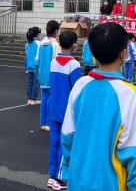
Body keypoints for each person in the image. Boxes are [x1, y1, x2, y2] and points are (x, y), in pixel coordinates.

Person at [61, 22, 136, 190]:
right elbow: (134, 151)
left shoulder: (80, 86)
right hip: (111, 184)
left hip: (77, 180)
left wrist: (68, 173)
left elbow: (67, 136)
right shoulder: (130, 94)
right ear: (124, 53)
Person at [48, 30, 81, 190]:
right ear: (74, 45)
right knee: (65, 144)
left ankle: (52, 175)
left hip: (53, 107)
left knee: (54, 142)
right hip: (66, 110)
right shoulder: (74, 64)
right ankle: (61, 179)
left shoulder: (54, 61)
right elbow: (76, 89)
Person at [35, 21, 60, 132]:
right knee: (51, 101)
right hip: (52, 77)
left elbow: (36, 61)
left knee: (44, 100)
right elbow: (57, 62)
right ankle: (49, 123)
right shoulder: (55, 45)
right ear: (56, 31)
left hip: (42, 77)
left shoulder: (41, 44)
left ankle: (43, 122)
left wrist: (39, 75)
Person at [26, 27, 41, 105]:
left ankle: (29, 99)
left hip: (29, 65)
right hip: (36, 65)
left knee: (29, 82)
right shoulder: (38, 43)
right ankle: (34, 99)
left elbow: (27, 53)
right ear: (38, 34)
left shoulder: (28, 43)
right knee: (35, 83)